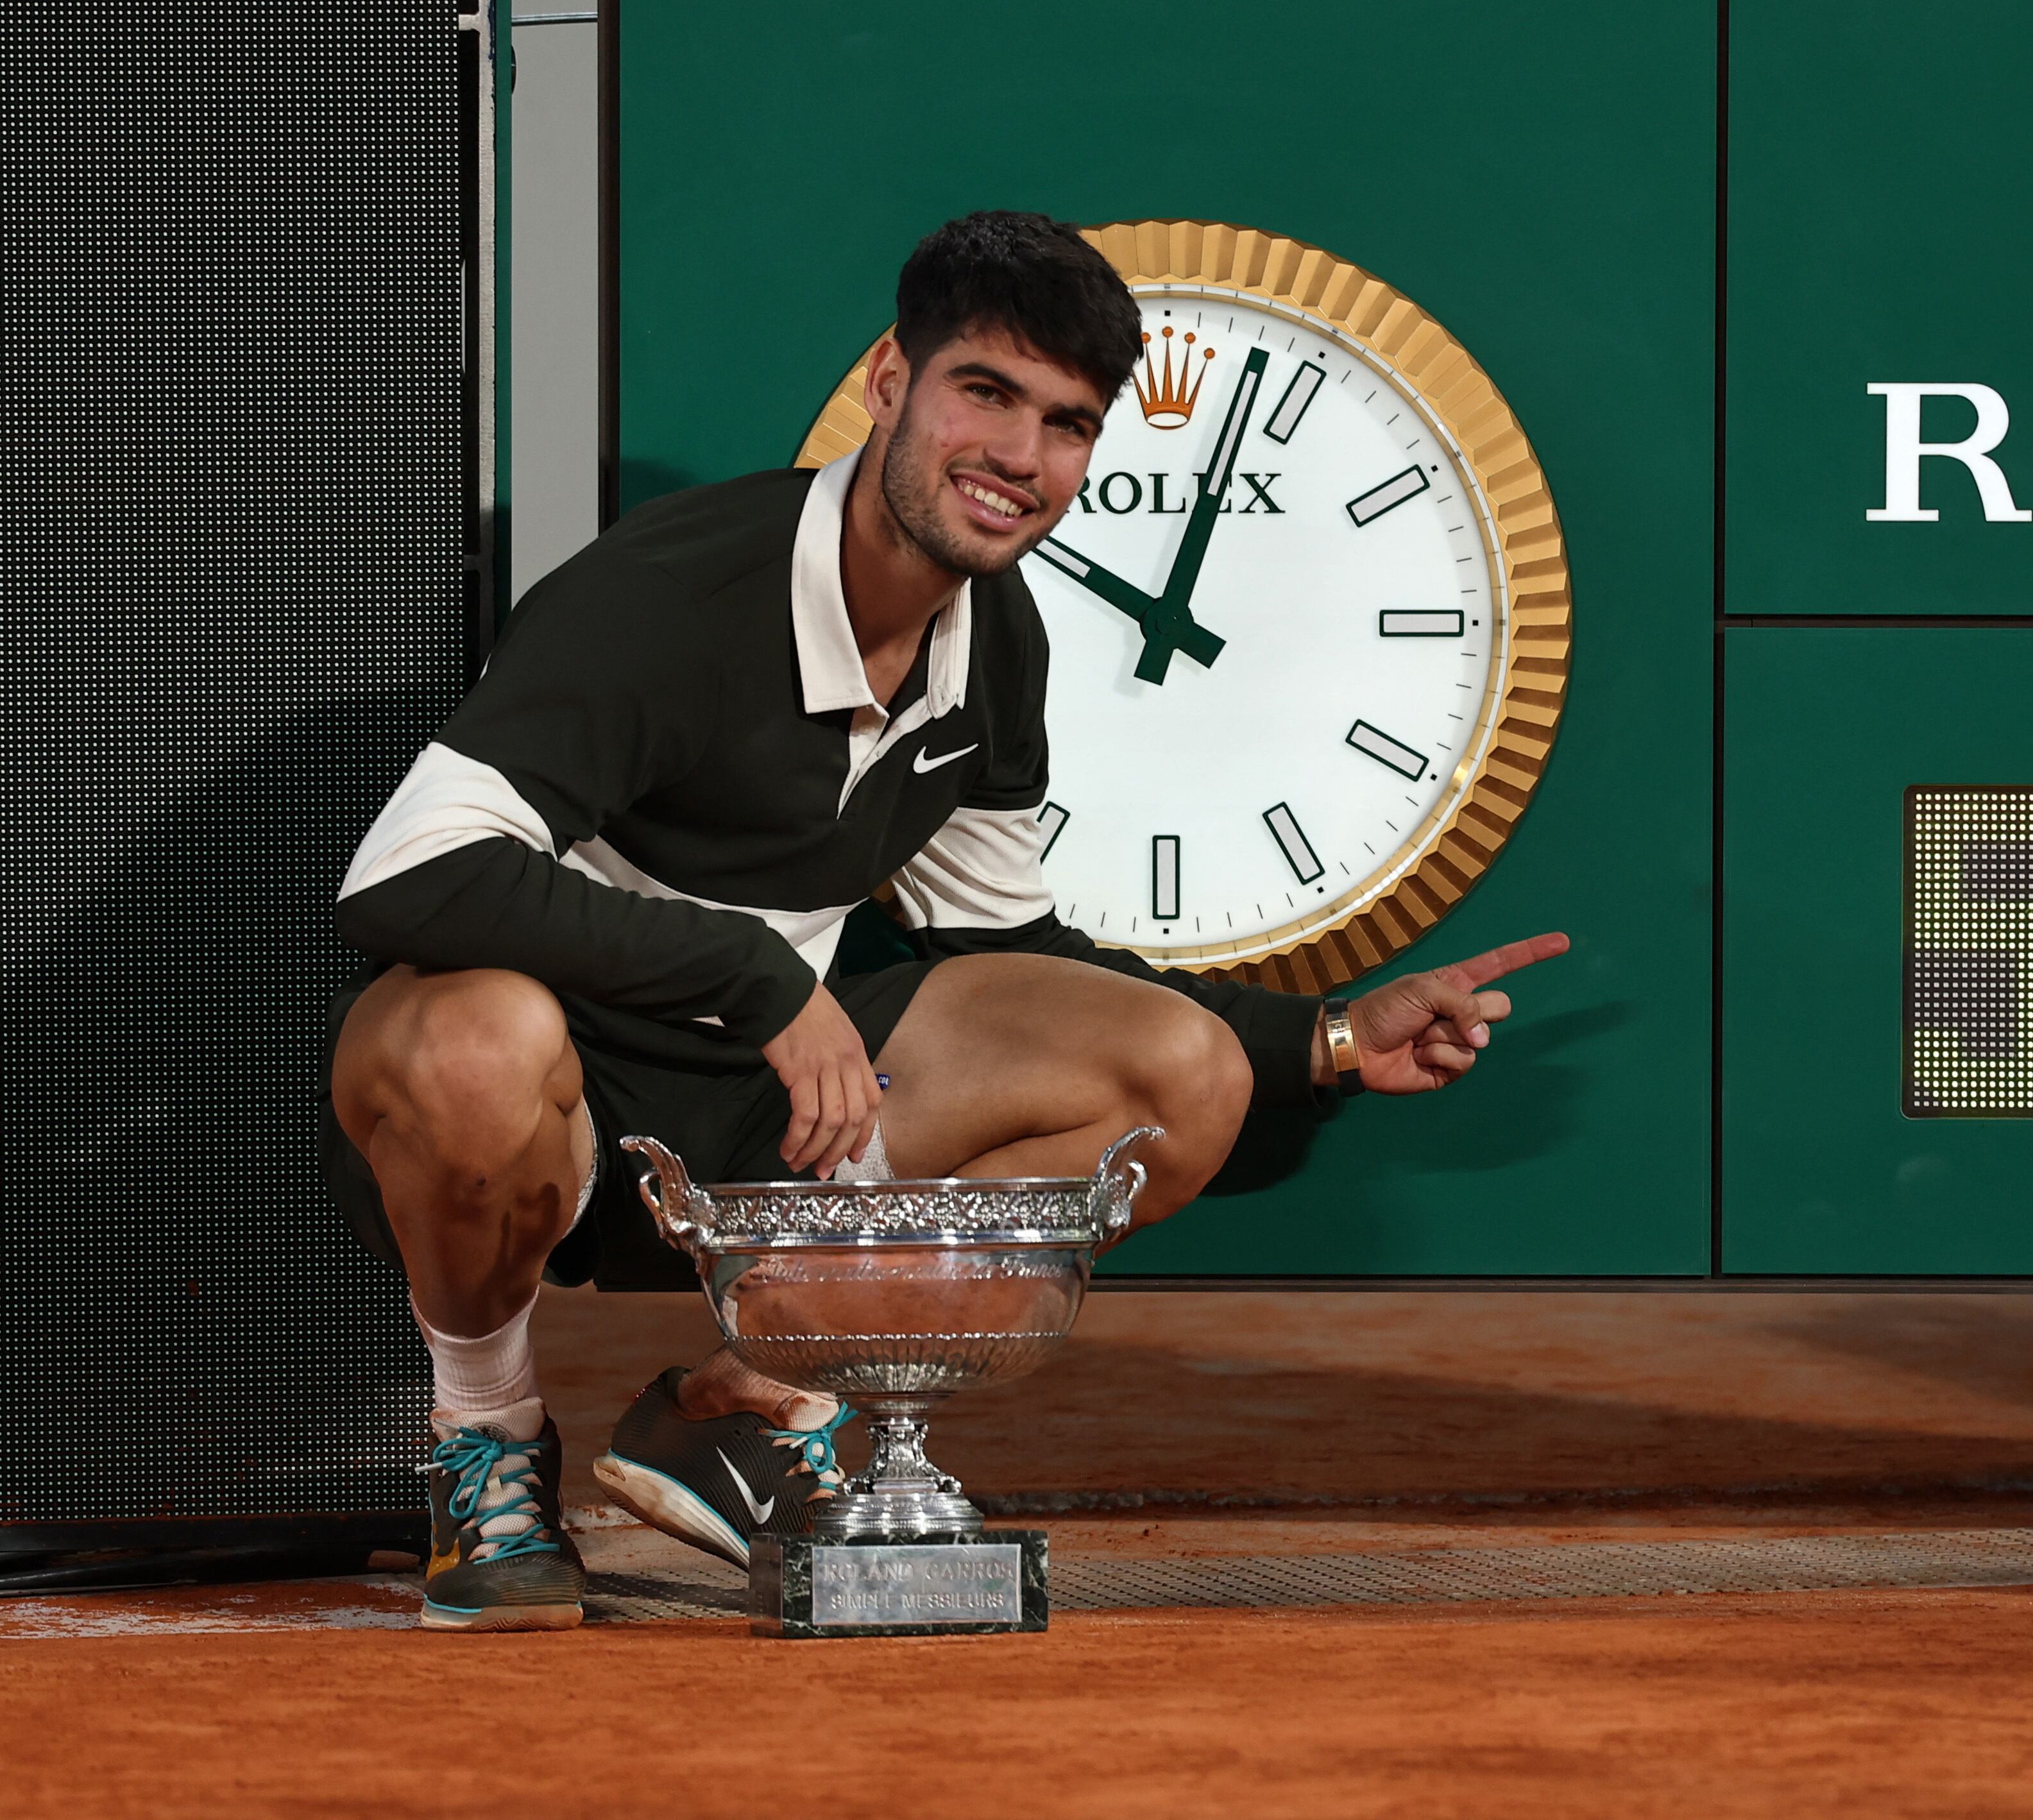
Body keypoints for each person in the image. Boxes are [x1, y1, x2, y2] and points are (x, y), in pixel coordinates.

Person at [325, 210, 1566, 1632]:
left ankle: (743, 1409)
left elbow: (1013, 958)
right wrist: (753, 976)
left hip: (775, 1127)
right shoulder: (670, 591)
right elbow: (407, 873)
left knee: (1177, 1075)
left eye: (1068, 423)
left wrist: (1325, 1039)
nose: (1022, 455)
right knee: (472, 1039)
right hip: (543, 1116)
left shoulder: (995, 636)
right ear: (887, 382)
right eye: (986, 392)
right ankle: (486, 1440)